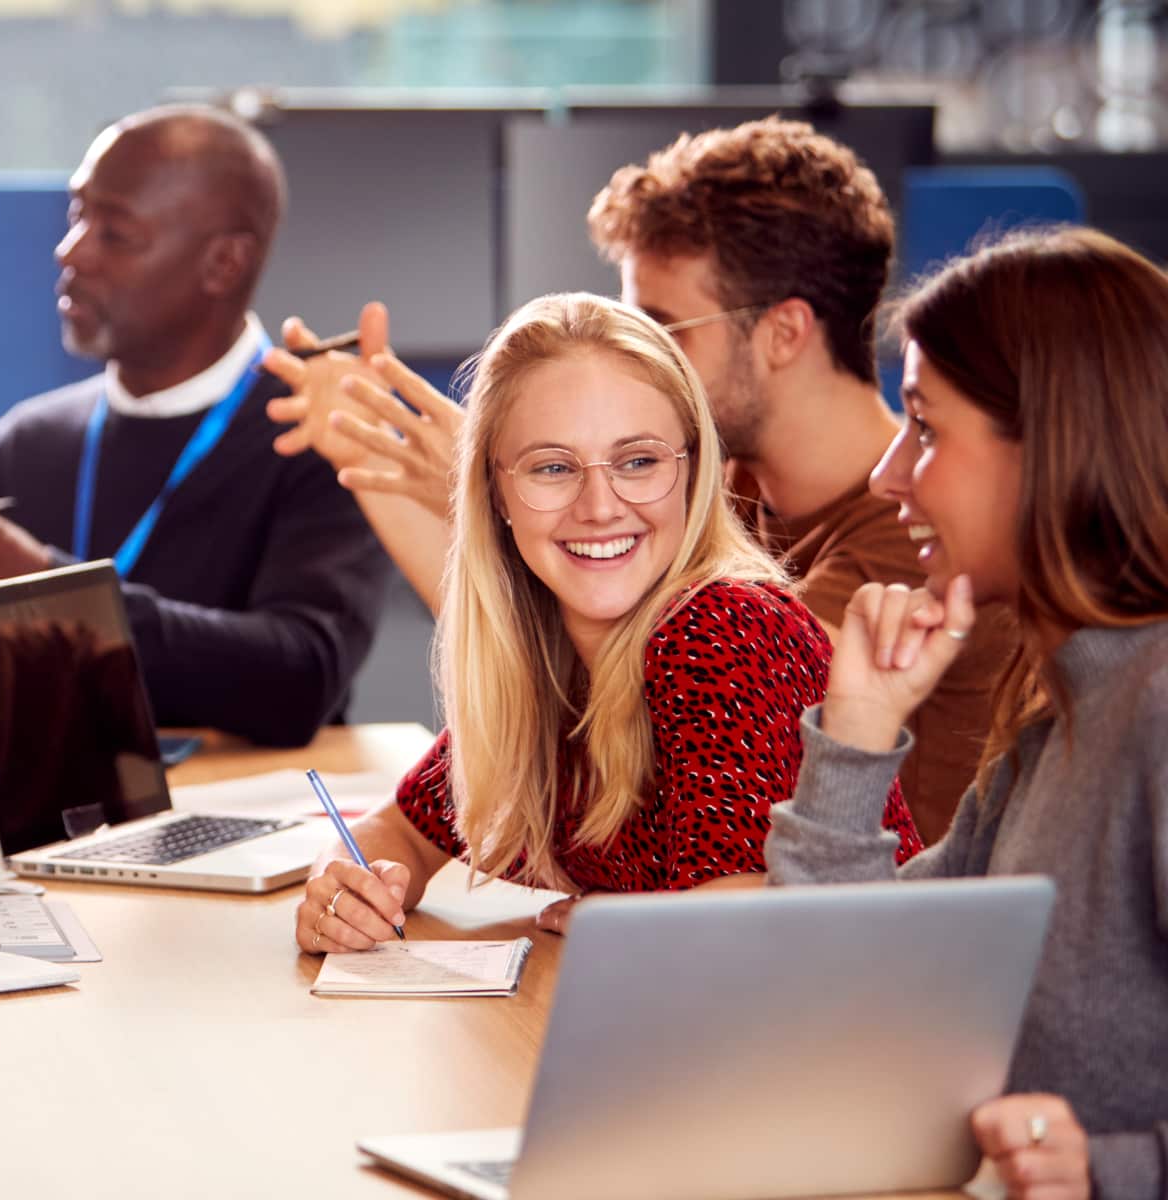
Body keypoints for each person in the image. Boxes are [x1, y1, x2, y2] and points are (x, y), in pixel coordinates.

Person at [265, 116, 1013, 843]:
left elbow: (615, 711)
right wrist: (379, 464)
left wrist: (502, 494)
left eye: (662, 327)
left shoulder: (919, 539)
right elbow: (537, 653)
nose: (636, 355)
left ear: (784, 333)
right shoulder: (715, 488)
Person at [294, 293, 919, 951]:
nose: (599, 507)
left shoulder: (723, 628)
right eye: (554, 467)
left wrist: (612, 921)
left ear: (693, 469)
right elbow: (400, 832)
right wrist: (346, 884)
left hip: (864, 1030)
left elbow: (741, 930)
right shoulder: (548, 649)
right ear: (495, 493)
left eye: (639, 461)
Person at [764, 227, 1168, 1200]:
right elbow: (861, 988)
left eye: (928, 428)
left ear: (1056, 447)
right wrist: (856, 730)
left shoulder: (1158, 707)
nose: (887, 473)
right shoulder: (1056, 703)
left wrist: (1127, 1169)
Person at [0, 104, 389, 747]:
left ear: (223, 264)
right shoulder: (22, 444)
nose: (69, 251)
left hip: (251, 821)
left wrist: (56, 595)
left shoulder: (315, 435)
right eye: (79, 215)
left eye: (115, 233)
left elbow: (301, 676)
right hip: (54, 821)